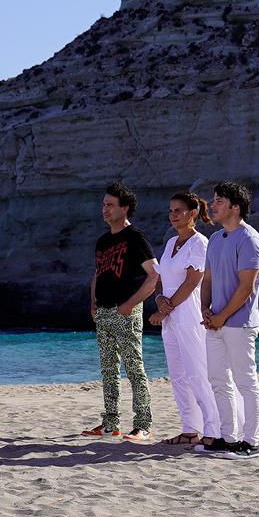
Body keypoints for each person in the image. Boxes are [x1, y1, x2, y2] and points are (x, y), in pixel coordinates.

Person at [198, 181, 259, 460]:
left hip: (240, 323)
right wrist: (205, 309)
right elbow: (208, 278)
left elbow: (246, 287)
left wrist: (221, 316)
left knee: (245, 380)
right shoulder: (216, 239)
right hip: (216, 322)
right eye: (213, 199)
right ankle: (228, 437)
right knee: (217, 379)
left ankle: (251, 442)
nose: (212, 205)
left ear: (235, 207)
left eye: (218, 200)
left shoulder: (250, 239)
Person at [81, 182, 158, 442]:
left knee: (134, 367)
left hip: (126, 312)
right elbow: (98, 273)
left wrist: (131, 304)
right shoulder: (103, 241)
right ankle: (110, 423)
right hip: (102, 312)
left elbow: (154, 276)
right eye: (104, 204)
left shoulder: (136, 238)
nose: (105, 209)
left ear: (124, 208)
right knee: (109, 370)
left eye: (110, 205)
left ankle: (143, 425)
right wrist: (93, 302)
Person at [150, 191, 221, 447]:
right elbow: (161, 279)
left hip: (189, 315)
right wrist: (159, 299)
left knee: (197, 372)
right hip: (170, 317)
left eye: (178, 210)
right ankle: (190, 429)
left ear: (192, 213)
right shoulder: (170, 243)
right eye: (170, 211)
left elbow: (193, 282)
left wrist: (163, 310)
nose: (173, 215)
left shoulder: (199, 243)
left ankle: (213, 429)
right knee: (178, 375)